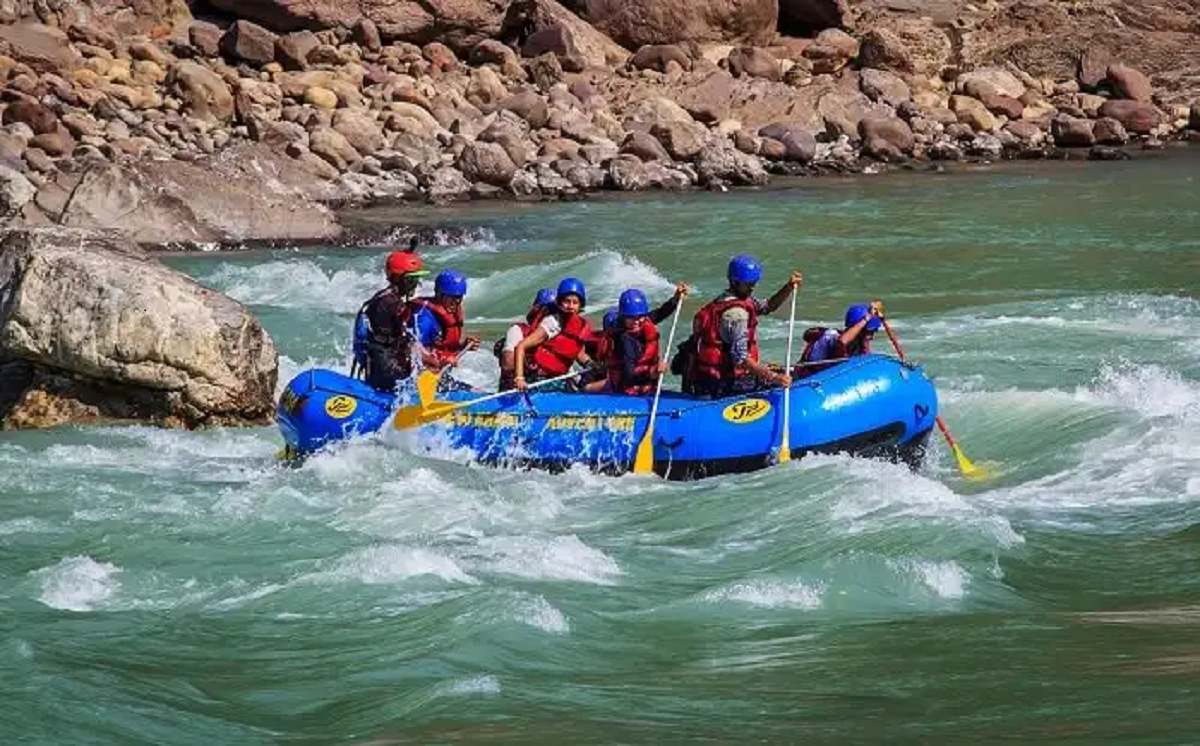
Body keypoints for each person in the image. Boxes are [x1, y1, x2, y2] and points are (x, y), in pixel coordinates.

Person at [681, 254, 801, 397]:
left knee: (784, 371)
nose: (752, 288)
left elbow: (767, 307)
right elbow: (741, 358)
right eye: (748, 284)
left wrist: (788, 288)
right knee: (794, 380)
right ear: (734, 282)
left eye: (753, 284)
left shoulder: (728, 298)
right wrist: (773, 377)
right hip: (727, 382)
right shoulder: (736, 315)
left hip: (713, 377)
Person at [353, 251, 429, 391]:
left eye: (417, 279)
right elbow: (407, 342)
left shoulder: (385, 297)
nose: (416, 284)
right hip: (386, 370)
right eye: (411, 279)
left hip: (381, 364)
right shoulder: (390, 304)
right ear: (397, 278)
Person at [592, 284, 689, 394]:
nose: (636, 322)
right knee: (594, 387)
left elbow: (660, 313)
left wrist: (675, 300)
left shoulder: (644, 322)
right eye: (631, 318)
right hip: (625, 386)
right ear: (623, 316)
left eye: (639, 317)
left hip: (644, 382)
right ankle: (584, 389)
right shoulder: (624, 340)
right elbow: (629, 375)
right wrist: (651, 372)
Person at [513, 278, 595, 392]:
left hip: (559, 379)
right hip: (539, 380)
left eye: (575, 302)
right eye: (566, 301)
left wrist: (592, 364)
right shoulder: (552, 323)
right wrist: (519, 379)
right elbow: (521, 346)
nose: (570, 306)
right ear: (560, 303)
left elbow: (578, 353)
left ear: (580, 305)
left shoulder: (578, 325)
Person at [405, 270, 481, 377]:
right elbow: (410, 351)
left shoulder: (451, 312)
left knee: (477, 391)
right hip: (418, 377)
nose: (457, 302)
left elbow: (442, 346)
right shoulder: (424, 319)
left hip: (438, 375)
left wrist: (463, 346)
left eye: (460, 297)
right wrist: (440, 361)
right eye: (453, 297)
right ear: (439, 295)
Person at [794, 301, 883, 377]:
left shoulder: (859, 342)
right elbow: (842, 342)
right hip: (807, 377)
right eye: (870, 331)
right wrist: (866, 319)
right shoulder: (832, 337)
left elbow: (866, 358)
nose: (872, 336)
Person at [496, 287, 557, 390]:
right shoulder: (517, 330)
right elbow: (508, 364)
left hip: (547, 386)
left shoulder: (555, 334)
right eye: (547, 312)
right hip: (518, 387)